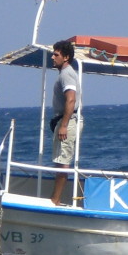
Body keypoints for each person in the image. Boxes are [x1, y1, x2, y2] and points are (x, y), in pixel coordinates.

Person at [49, 39, 81, 206]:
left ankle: (55, 200)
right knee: (59, 160)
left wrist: (63, 125)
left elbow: (71, 99)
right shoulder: (64, 73)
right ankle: (55, 198)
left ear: (66, 57)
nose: (52, 57)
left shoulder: (67, 74)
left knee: (63, 161)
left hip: (68, 120)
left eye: (56, 54)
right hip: (64, 119)